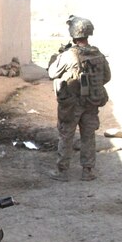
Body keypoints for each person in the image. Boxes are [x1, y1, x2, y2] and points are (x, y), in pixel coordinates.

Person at [48, 15, 111, 182]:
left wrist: (56, 58)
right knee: (88, 136)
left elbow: (52, 73)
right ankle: (88, 171)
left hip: (71, 104)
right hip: (91, 102)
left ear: (73, 34)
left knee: (66, 135)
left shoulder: (68, 55)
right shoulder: (98, 54)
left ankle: (62, 172)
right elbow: (106, 77)